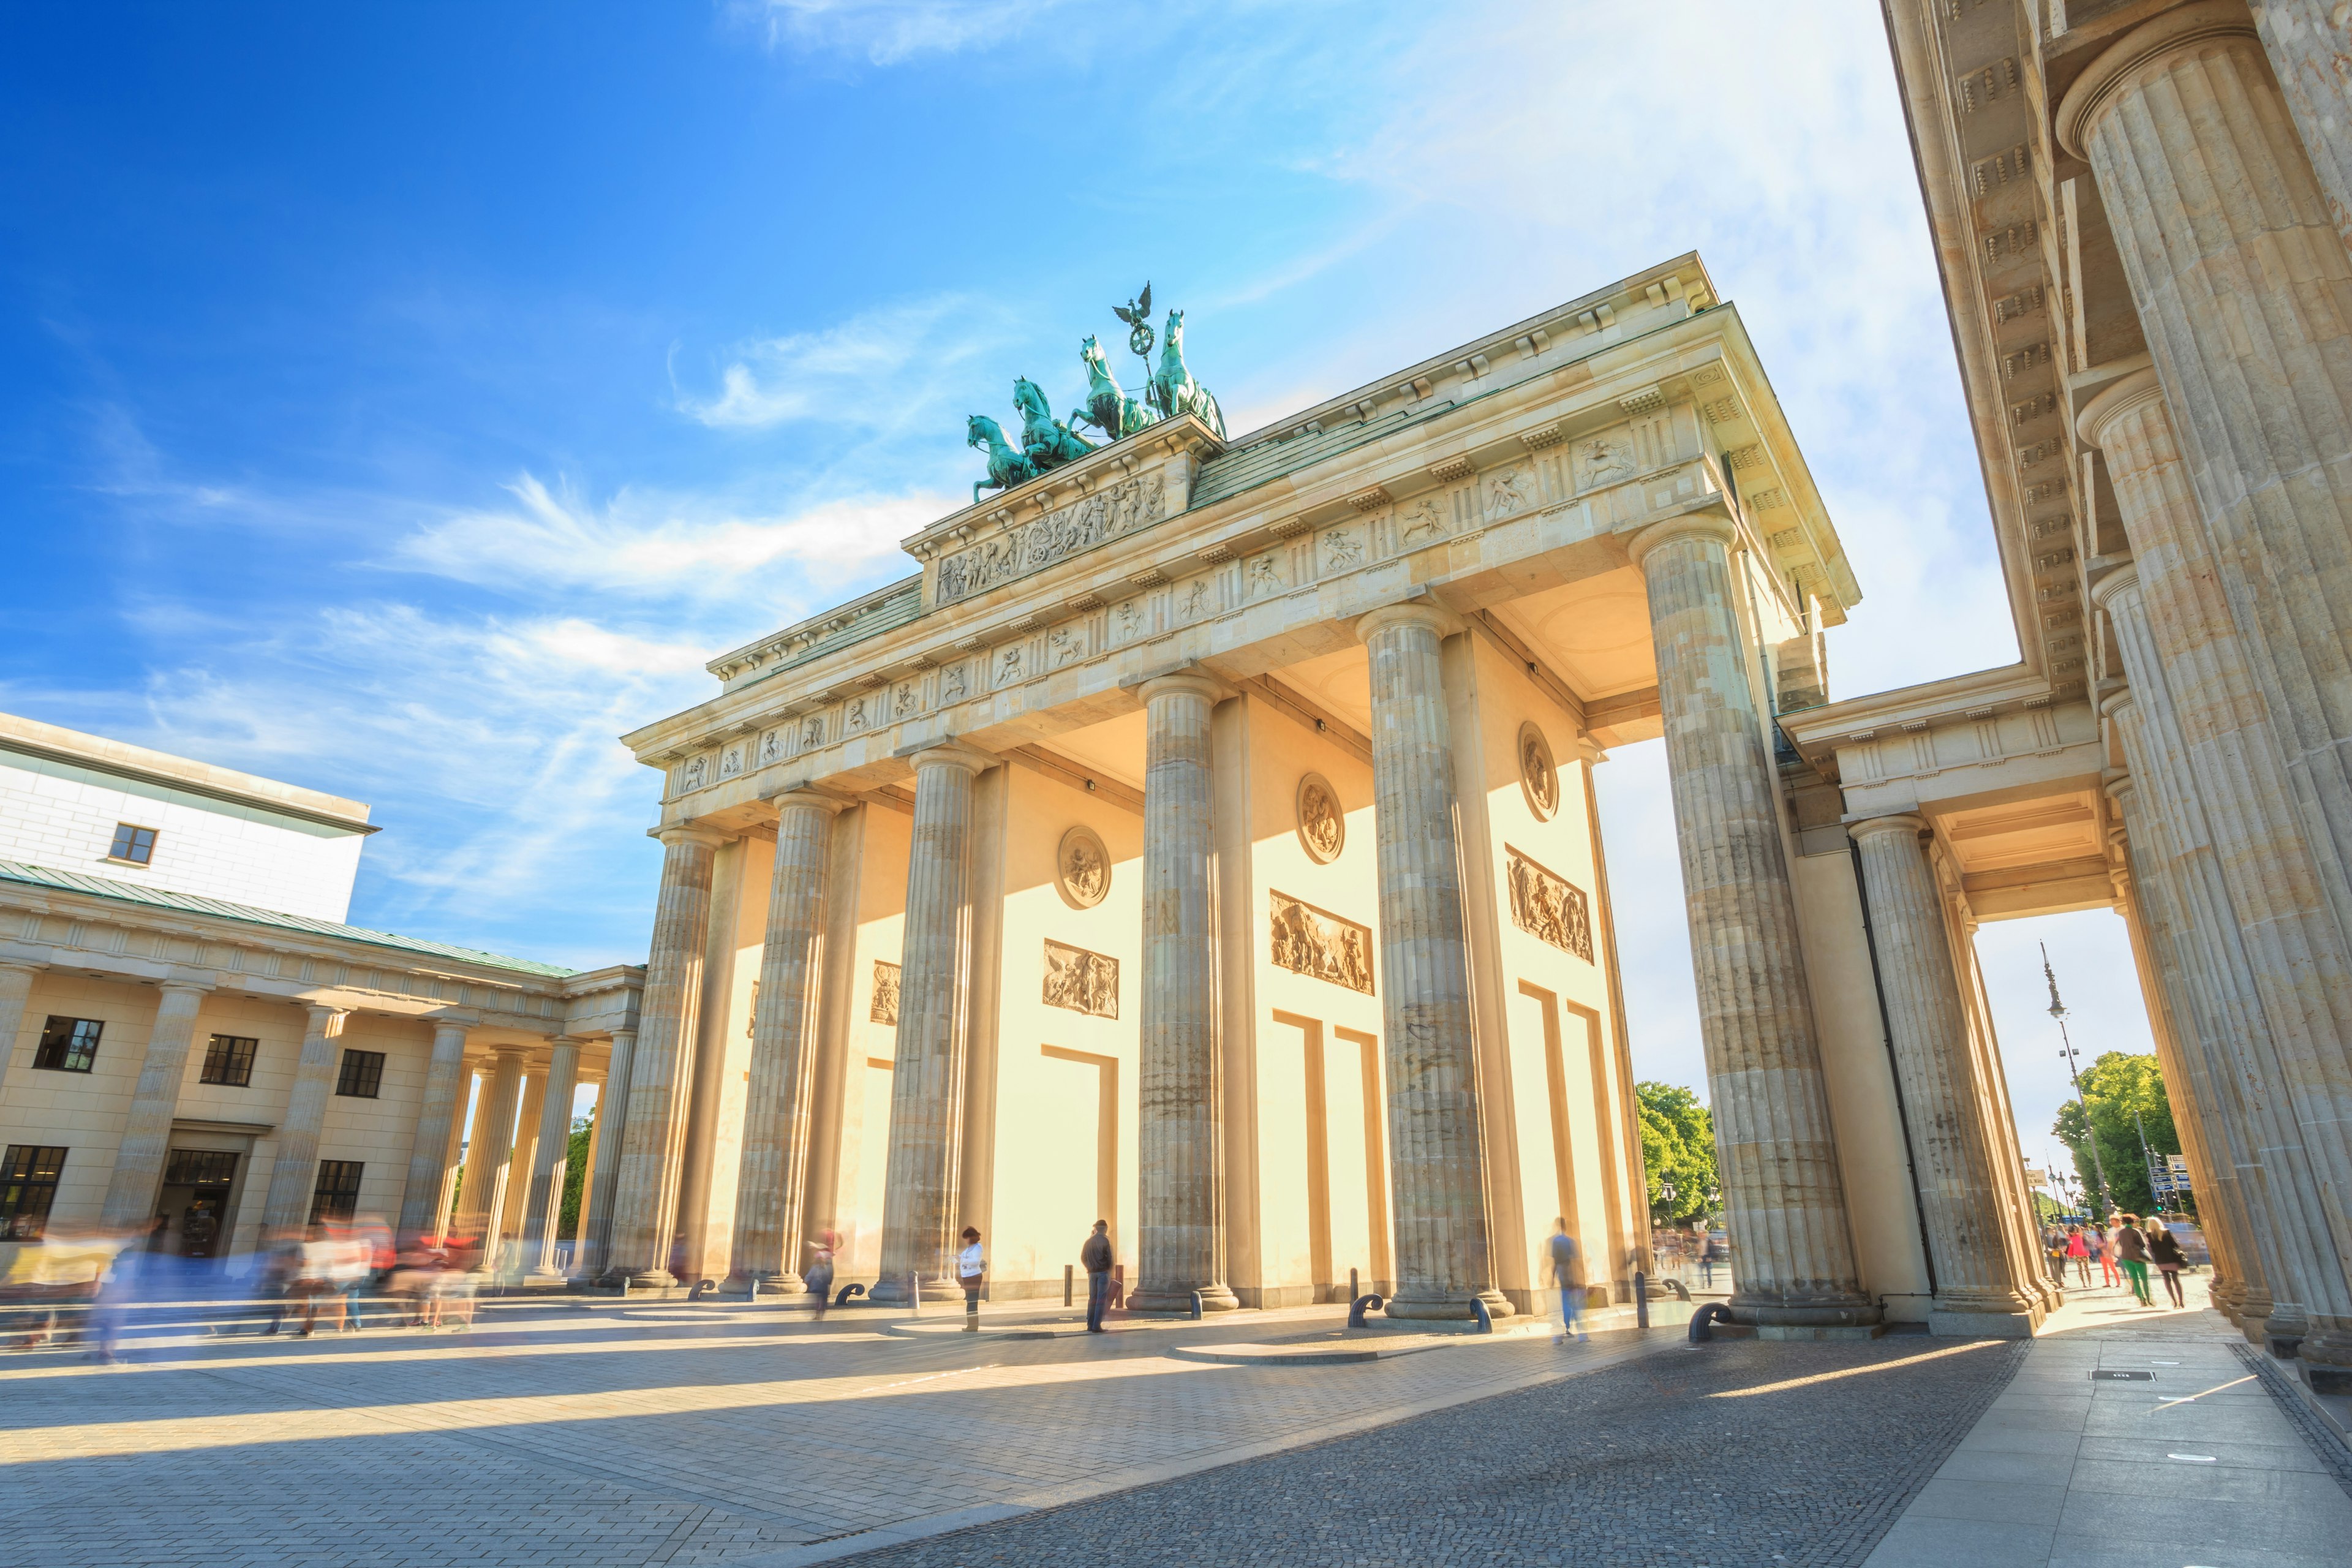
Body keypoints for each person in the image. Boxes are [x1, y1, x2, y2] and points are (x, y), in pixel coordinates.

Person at [1548, 1218, 1586, 1344]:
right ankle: (1580, 1332)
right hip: (1570, 1274)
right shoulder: (1570, 1241)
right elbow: (1576, 1260)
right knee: (1574, 1302)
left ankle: (1567, 1326)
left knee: (1566, 1301)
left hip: (1562, 1274)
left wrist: (1553, 1277)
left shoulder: (1555, 1242)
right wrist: (1581, 1276)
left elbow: (1555, 1261)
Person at [1080, 1221, 1115, 1333]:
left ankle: (1090, 1325)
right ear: (1105, 1229)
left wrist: (1089, 1267)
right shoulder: (1106, 1240)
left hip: (1091, 1273)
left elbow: (1083, 1257)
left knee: (1092, 1299)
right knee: (1101, 1299)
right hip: (1103, 1273)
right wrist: (1108, 1270)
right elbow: (1110, 1258)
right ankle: (1096, 1326)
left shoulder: (1089, 1241)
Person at [2113, 1213, 2154, 1306]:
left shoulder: (2121, 1233)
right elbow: (2143, 1244)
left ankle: (2141, 1299)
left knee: (2134, 1278)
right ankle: (2148, 1298)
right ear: (2132, 1222)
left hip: (2126, 1257)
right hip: (2138, 1257)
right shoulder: (2136, 1231)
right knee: (2144, 1279)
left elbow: (2122, 1244)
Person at [2147, 1218, 2188, 1308]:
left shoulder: (2150, 1236)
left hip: (2161, 1260)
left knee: (2167, 1280)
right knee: (2176, 1279)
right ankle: (2181, 1301)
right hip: (2172, 1258)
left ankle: (2174, 1301)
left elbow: (2153, 1250)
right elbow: (2175, 1245)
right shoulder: (2167, 1232)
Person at [956, 1227, 985, 1332]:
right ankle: (971, 1325)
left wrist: (963, 1259)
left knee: (972, 1302)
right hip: (967, 1276)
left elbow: (975, 1262)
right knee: (970, 1301)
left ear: (972, 1237)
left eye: (967, 1238)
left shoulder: (978, 1247)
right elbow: (964, 1257)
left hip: (974, 1276)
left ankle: (973, 1326)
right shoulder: (969, 1248)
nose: (966, 1240)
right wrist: (957, 1258)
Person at [805, 1232, 836, 1322]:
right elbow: (830, 1274)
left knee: (817, 1300)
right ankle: (821, 1311)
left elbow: (810, 1275)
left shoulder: (815, 1267)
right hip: (823, 1286)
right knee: (823, 1300)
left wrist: (807, 1281)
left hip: (816, 1287)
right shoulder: (827, 1267)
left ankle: (817, 1313)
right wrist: (829, 1283)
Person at [2065, 1224, 2090, 1288]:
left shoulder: (2079, 1235)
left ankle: (2089, 1283)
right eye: (2071, 1232)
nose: (2073, 1233)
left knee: (2087, 1269)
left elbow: (2081, 1231)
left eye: (2073, 1231)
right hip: (2077, 1255)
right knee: (2080, 1270)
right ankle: (2084, 1284)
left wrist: (2077, 1227)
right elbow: (2065, 1234)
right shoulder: (2070, 1237)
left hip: (2084, 1254)